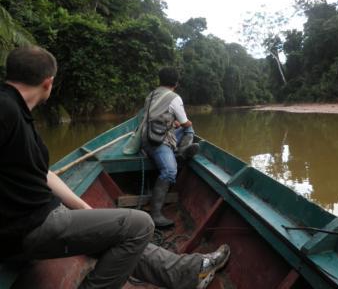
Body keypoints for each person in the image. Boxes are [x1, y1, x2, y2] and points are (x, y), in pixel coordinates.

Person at [0, 46, 230, 289]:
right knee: (140, 225)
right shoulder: (5, 109)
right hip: (29, 227)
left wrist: (84, 209)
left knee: (120, 235)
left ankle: (189, 273)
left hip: (39, 218)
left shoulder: (16, 110)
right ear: (48, 83)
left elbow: (44, 174)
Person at [141, 67, 199, 228]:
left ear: (160, 81)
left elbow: (155, 117)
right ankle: (156, 214)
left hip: (146, 136)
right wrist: (184, 122)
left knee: (180, 128)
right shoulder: (174, 98)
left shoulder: (151, 95)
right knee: (170, 170)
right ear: (176, 83)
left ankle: (180, 152)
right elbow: (185, 121)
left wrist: (172, 122)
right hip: (157, 141)